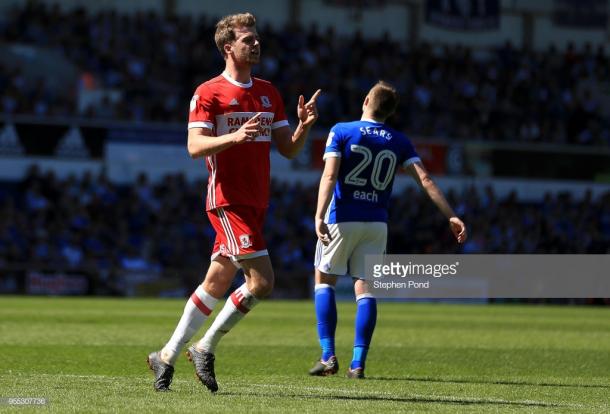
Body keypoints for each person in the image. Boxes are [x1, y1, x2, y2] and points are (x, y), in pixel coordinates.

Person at [147, 12, 321, 392]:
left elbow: (289, 150)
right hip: (227, 200)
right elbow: (194, 147)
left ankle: (165, 356)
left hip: (257, 201)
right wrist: (235, 137)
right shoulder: (208, 93)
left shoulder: (269, 92)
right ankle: (205, 347)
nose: (256, 44)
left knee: (218, 279)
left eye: (257, 38)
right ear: (228, 47)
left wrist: (304, 127)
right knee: (262, 282)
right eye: (247, 40)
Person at [309, 81, 466, 379]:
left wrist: (318, 215)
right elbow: (426, 180)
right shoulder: (399, 140)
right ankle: (358, 363)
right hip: (377, 224)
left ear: (366, 99)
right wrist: (451, 215)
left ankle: (328, 356)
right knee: (365, 290)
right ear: (390, 112)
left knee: (324, 280)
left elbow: (330, 175)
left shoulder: (342, 130)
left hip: (342, 217)